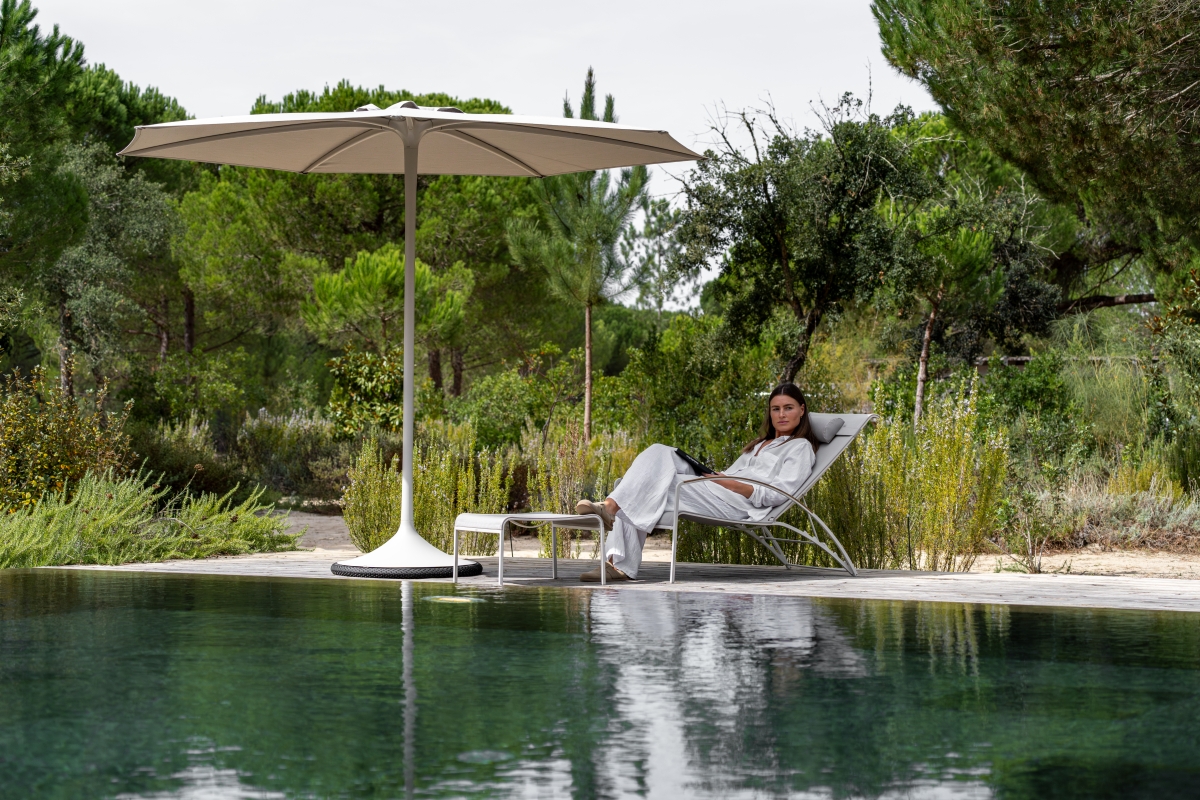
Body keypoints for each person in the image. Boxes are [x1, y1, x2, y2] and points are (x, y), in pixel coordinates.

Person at [575, 383, 819, 582]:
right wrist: (717, 476)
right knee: (660, 452)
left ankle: (614, 549)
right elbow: (735, 473)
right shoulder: (759, 444)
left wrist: (726, 483)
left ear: (801, 410)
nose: (781, 414)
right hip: (718, 487)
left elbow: (780, 493)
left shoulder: (800, 448)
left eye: (788, 408)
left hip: (738, 503)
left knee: (657, 483)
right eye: (776, 409)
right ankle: (611, 514)